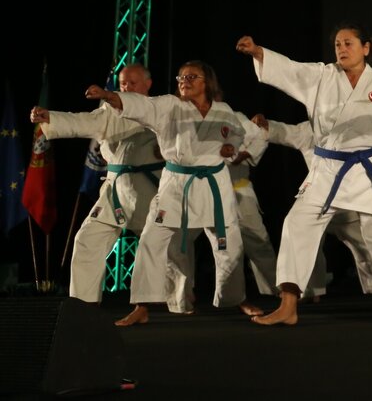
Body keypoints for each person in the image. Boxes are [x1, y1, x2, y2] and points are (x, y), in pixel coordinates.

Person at [236, 24, 372, 325]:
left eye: (348, 43)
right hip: (328, 168)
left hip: (371, 170)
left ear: (366, 48)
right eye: (337, 44)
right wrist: (258, 52)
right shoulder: (321, 76)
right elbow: (290, 71)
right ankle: (288, 305)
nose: (342, 49)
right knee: (297, 223)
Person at [85, 60, 265, 326]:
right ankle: (142, 305)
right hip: (176, 186)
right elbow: (143, 106)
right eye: (181, 77)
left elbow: (246, 134)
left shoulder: (224, 111)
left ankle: (237, 299)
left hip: (214, 187)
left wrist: (233, 150)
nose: (184, 82)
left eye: (192, 77)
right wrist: (110, 96)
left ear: (208, 82)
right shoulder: (170, 106)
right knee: (150, 240)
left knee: (229, 247)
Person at [30, 63, 167, 305]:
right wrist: (51, 117)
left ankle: (177, 298)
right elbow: (82, 122)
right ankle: (82, 305)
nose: (127, 87)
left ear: (148, 84)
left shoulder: (162, 109)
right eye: (123, 83)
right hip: (115, 191)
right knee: (87, 240)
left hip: (150, 191)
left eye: (133, 82)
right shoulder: (108, 112)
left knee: (166, 247)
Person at [251, 113, 372, 298]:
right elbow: (286, 132)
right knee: (305, 242)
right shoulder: (309, 129)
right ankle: (311, 290)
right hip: (318, 202)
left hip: (347, 201)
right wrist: (266, 127)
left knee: (365, 244)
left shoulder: (351, 125)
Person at [165, 108, 275, 313]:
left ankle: (277, 289)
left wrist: (246, 153)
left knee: (255, 240)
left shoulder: (234, 117)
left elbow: (260, 135)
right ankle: (181, 297)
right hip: (194, 188)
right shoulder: (180, 118)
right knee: (179, 242)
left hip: (237, 187)